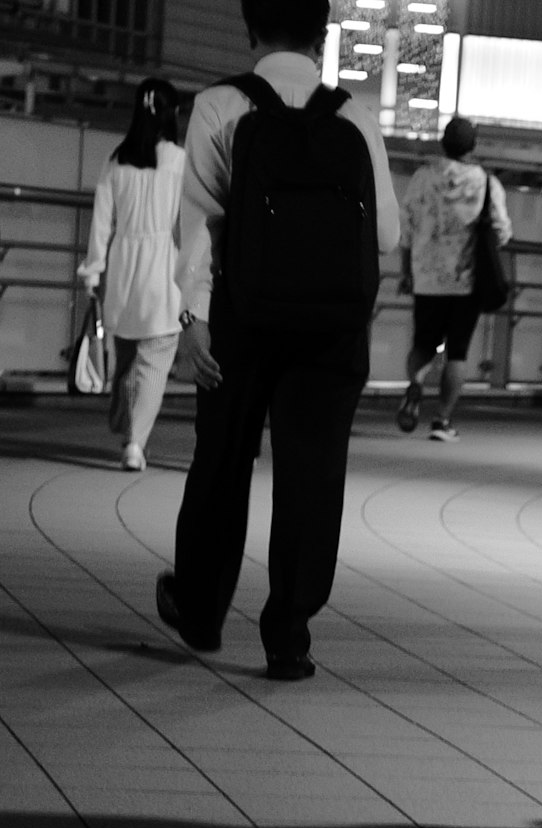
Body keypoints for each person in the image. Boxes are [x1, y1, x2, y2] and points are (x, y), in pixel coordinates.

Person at [156, 0, 403, 681]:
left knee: (223, 463)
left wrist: (193, 320)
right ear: (322, 35)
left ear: (251, 26)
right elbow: (384, 235)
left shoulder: (218, 106)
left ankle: (202, 612)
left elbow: (198, 223)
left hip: (241, 318)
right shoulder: (354, 117)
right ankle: (288, 636)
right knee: (312, 478)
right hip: (330, 331)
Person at [81, 79, 193, 472]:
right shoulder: (180, 162)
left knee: (127, 356)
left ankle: (124, 419)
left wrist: (93, 270)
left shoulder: (117, 160)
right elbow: (189, 225)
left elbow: (101, 221)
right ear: (172, 114)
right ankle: (134, 442)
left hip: (124, 266)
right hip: (164, 270)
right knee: (154, 361)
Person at [393, 115, 510, 441]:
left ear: (443, 143)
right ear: (472, 146)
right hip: (466, 282)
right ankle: (441, 421)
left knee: (422, 343)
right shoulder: (487, 183)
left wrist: (407, 271)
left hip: (427, 277)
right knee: (457, 352)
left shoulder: (421, 178)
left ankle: (415, 385)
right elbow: (501, 232)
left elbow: (406, 227)